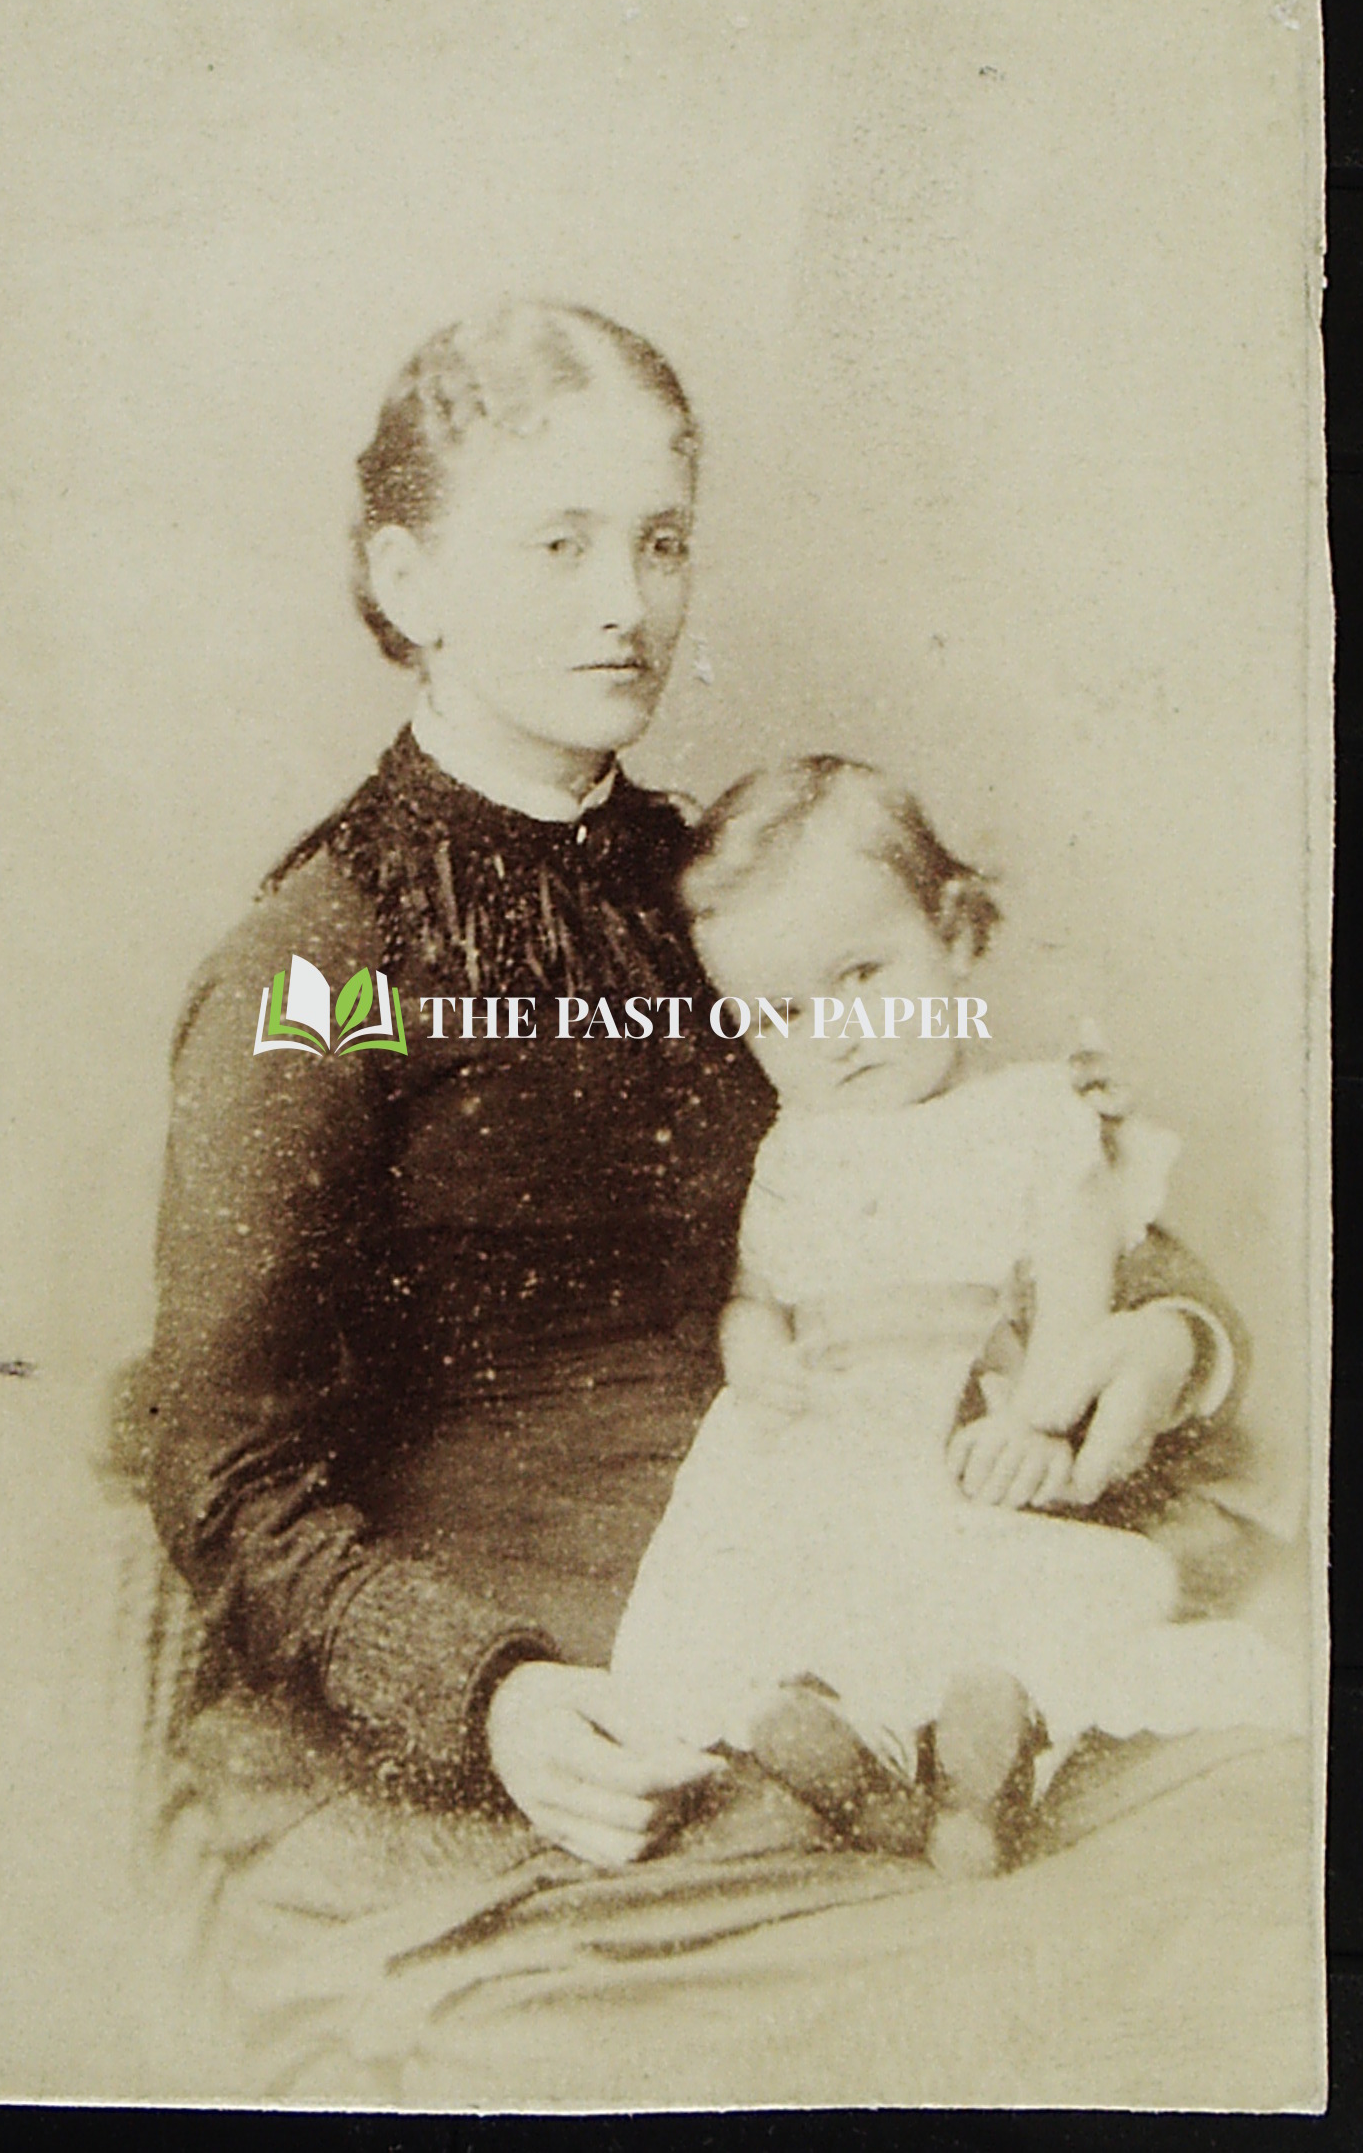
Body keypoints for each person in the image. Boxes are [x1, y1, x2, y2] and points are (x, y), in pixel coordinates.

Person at [125, 299, 1273, 2092]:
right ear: (406, 575)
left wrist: (1160, 1342)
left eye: (658, 539)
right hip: (539, 1701)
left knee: (1249, 1908)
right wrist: (487, 1692)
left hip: (894, 1587)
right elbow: (224, 1458)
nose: (626, 599)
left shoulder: (725, 882)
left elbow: (993, 1151)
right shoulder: (320, 958)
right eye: (558, 540)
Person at [609, 758, 1303, 1875]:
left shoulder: (1030, 1116)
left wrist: (1036, 1413)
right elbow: (757, 1288)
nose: (832, 1034)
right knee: (799, 1595)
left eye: (862, 974)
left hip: (960, 1422)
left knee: (1008, 1583)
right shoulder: (795, 1147)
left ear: (958, 938)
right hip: (828, 1444)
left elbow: (1078, 1286)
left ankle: (996, 1749)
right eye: (781, 1011)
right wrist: (758, 1349)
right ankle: (865, 1759)